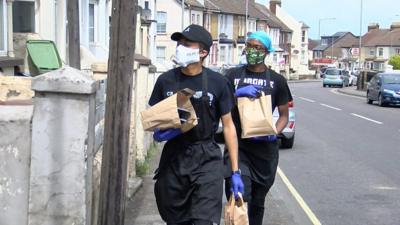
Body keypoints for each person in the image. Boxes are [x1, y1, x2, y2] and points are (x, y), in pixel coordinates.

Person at [148, 24, 244, 225]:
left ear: (202, 52)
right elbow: (153, 120)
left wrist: (235, 171)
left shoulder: (219, 82)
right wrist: (158, 133)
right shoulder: (165, 81)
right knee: (175, 218)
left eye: (186, 44)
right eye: (179, 43)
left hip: (206, 157)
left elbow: (228, 126)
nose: (180, 47)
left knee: (203, 220)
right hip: (174, 157)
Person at [223, 31, 290, 225]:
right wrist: (236, 94)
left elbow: (284, 115)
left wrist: (274, 132)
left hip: (264, 153)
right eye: (249, 46)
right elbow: (220, 104)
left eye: (257, 47)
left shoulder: (277, 81)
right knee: (240, 197)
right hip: (238, 148)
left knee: (258, 203)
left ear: (267, 52)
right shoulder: (232, 76)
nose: (252, 50)